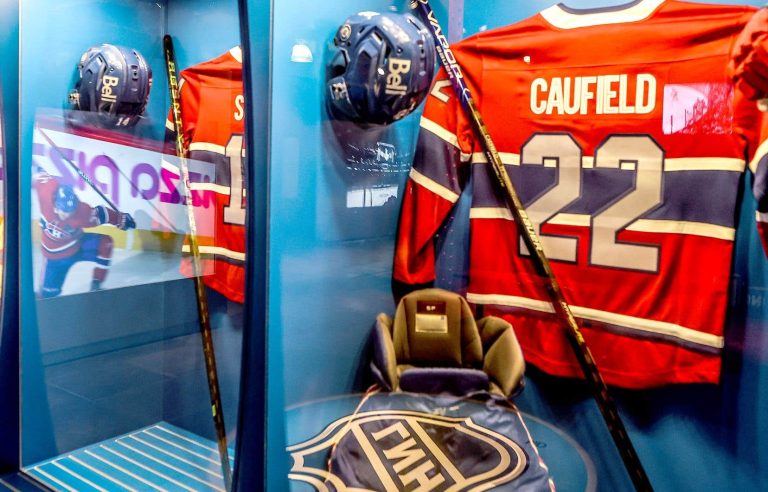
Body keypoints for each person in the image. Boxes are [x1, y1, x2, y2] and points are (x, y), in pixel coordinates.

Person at [35, 171, 135, 298]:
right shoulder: (45, 190)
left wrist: (121, 219)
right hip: (54, 260)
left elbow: (102, 214)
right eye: (64, 211)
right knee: (47, 297)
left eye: (71, 210)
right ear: (55, 206)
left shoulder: (82, 211)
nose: (68, 215)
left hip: (78, 247)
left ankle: (96, 286)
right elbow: (33, 174)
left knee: (106, 243)